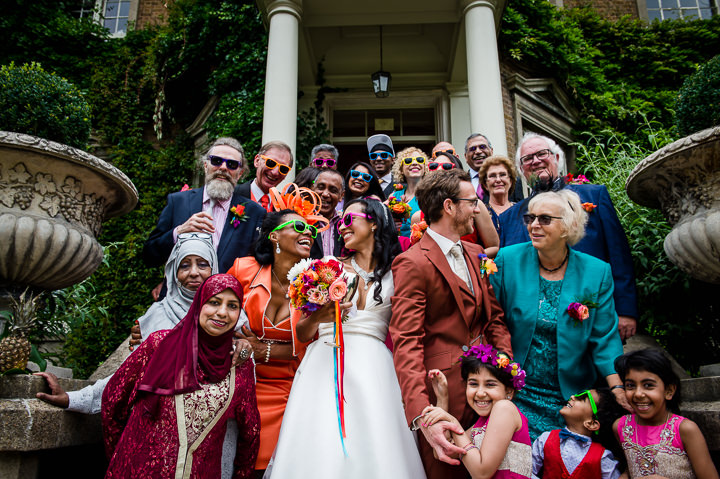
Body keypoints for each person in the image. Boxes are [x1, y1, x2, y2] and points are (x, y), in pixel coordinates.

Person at [267, 198, 426, 478]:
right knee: (321, 441)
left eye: (349, 220)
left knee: (378, 441)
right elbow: (302, 334)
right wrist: (320, 316)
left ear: (374, 223)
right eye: (340, 222)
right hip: (324, 362)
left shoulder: (399, 270)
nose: (342, 227)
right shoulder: (325, 267)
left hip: (377, 368)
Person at [390, 168, 513, 479]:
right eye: (471, 202)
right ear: (448, 206)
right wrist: (422, 415)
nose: (476, 208)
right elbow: (407, 341)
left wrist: (506, 367)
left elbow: (494, 317)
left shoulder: (475, 253)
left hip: (489, 389)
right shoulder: (412, 262)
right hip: (442, 393)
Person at [490, 189, 627, 440]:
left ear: (568, 226)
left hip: (570, 396)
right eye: (530, 218)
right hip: (517, 390)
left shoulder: (597, 272)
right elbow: (492, 320)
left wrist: (617, 387)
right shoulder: (508, 260)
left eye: (544, 219)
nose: (534, 225)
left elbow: (604, 339)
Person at [36, 235, 219, 413]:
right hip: (163, 421)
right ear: (173, 272)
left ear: (214, 268)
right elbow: (128, 374)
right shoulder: (156, 316)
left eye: (203, 264)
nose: (194, 272)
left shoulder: (229, 316)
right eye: (184, 265)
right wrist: (73, 399)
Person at [101, 274, 260, 479]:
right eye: (214, 302)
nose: (222, 313)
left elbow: (251, 433)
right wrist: (121, 456)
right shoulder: (159, 345)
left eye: (232, 306)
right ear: (199, 304)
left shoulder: (240, 364)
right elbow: (112, 400)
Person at [499, 132, 638, 340]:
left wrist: (626, 310)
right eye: (527, 159)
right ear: (521, 170)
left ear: (556, 158)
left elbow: (618, 254)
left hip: (592, 318)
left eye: (541, 154)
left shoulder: (594, 196)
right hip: (530, 328)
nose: (535, 161)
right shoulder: (510, 217)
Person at [228, 209, 333, 474]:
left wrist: (260, 349)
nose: (307, 231)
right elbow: (219, 315)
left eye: (310, 228)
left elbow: (312, 344)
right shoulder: (244, 269)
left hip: (291, 386)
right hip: (239, 379)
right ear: (274, 236)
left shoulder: (319, 283)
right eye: (298, 226)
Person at [143, 137, 265, 277]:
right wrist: (178, 232)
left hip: (224, 296)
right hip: (179, 297)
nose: (223, 167)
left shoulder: (254, 212)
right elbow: (149, 256)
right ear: (206, 165)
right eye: (216, 161)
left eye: (232, 164)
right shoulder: (177, 202)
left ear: (240, 173)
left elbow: (257, 265)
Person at [422, 345, 532, 479]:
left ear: (509, 391)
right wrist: (442, 398)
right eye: (473, 384)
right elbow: (444, 450)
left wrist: (452, 421)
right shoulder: (480, 424)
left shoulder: (505, 408)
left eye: (490, 384)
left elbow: (481, 473)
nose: (480, 393)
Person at [614, 349, 719, 479]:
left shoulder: (685, 430)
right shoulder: (621, 426)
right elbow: (630, 469)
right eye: (630, 385)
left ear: (669, 391)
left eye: (648, 385)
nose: (638, 394)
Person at [411, 152, 499, 257]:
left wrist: (467, 258)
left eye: (446, 166)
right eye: (434, 166)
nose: (439, 170)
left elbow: (494, 247)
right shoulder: (418, 216)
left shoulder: (475, 206)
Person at [532, 388, 626, 479]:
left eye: (582, 399)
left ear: (591, 423)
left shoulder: (602, 458)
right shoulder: (545, 439)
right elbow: (527, 471)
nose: (572, 396)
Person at [236, 141, 294, 212]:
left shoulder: (285, 206)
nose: (275, 172)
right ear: (257, 161)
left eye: (283, 169)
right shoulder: (233, 195)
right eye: (270, 163)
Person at [390, 146, 428, 237]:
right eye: (408, 161)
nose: (414, 163)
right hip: (399, 247)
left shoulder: (430, 195)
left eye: (419, 160)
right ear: (401, 169)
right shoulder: (394, 196)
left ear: (425, 167)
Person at [477, 155, 518, 233]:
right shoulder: (479, 213)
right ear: (485, 185)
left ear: (511, 181)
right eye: (492, 176)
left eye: (502, 175)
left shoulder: (521, 210)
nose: (498, 180)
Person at [310, 169, 345, 258]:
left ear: (341, 195)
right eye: (321, 188)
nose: (325, 194)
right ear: (312, 189)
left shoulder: (345, 226)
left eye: (333, 190)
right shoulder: (301, 221)